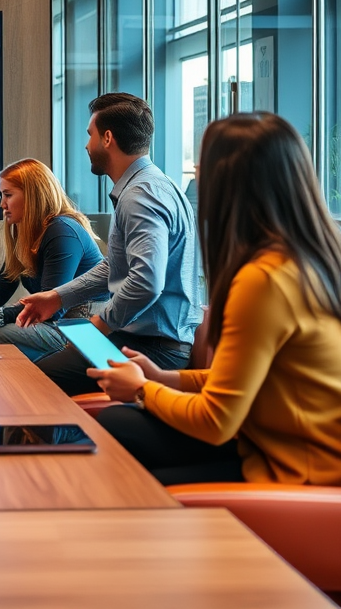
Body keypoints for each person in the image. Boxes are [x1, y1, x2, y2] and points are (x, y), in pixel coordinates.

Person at [90, 112, 341, 487]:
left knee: (118, 440)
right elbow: (243, 381)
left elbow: (217, 421)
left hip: (297, 476)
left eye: (204, 163)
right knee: (117, 429)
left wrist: (143, 389)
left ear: (232, 182)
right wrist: (162, 378)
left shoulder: (264, 280)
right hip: (271, 449)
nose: (195, 170)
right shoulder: (304, 261)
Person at [17, 92, 202, 395]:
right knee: (37, 373)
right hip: (142, 341)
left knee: (33, 385)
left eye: (89, 135)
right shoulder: (152, 186)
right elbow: (114, 268)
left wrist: (101, 324)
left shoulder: (140, 196)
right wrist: (57, 297)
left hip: (151, 350)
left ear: (107, 138)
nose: (86, 145)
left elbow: (145, 282)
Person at [0, 158, 103, 361]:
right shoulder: (25, 234)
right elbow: (1, 288)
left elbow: (52, 309)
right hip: (51, 321)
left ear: (33, 196)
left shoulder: (62, 231)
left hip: (77, 326)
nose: (2, 204)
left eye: (8, 195)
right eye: (1, 195)